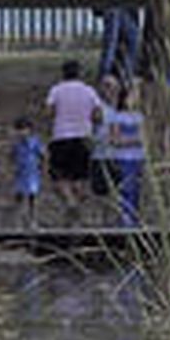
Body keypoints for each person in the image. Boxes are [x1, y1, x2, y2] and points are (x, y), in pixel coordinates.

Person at [45, 58, 102, 222]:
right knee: (80, 178)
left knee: (59, 178)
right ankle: (76, 207)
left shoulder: (56, 90)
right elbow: (98, 115)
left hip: (61, 136)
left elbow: (48, 112)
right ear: (80, 73)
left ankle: (71, 204)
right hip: (84, 136)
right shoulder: (89, 91)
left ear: (63, 73)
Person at [108, 79, 146, 228]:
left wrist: (134, 140)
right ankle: (125, 217)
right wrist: (135, 140)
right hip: (124, 157)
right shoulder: (117, 117)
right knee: (125, 186)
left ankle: (134, 217)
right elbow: (115, 140)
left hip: (138, 157)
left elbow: (146, 138)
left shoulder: (139, 116)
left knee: (136, 188)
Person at [11, 115, 44, 230]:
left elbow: (42, 155)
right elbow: (12, 157)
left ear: (29, 130)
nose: (21, 132)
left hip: (32, 173)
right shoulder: (16, 144)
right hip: (20, 173)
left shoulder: (35, 142)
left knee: (32, 198)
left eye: (24, 129)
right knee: (19, 197)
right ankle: (19, 221)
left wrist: (41, 168)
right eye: (19, 130)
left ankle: (33, 221)